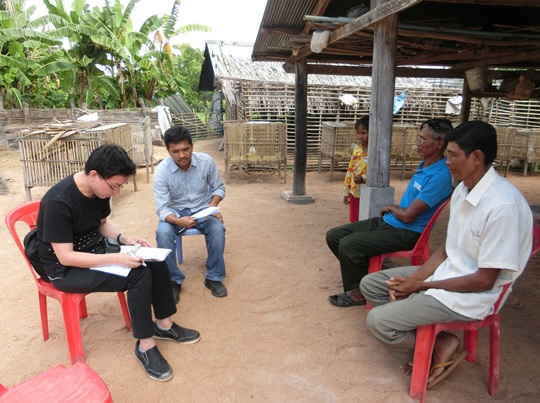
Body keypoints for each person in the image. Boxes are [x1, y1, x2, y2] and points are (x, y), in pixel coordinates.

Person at [360, 120, 533, 386]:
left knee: (378, 321)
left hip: (473, 295)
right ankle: (441, 340)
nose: (447, 161)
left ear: (477, 157)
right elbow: (448, 247)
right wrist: (415, 279)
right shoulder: (463, 188)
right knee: (372, 284)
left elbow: (484, 280)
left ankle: (427, 353)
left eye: (452, 155)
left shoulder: (503, 206)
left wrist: (421, 285)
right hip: (448, 274)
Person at [34, 144, 200, 382]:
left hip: (94, 252)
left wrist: (124, 238)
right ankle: (145, 345)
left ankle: (164, 325)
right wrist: (117, 258)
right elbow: (66, 257)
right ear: (94, 175)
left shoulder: (97, 191)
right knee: (137, 274)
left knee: (152, 259)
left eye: (120, 186)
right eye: (115, 186)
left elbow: (100, 224)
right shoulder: (58, 202)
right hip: (66, 270)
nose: (117, 192)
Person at [326, 118, 454, 307]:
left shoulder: (440, 176)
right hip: (393, 221)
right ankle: (367, 275)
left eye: (422, 139)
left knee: (349, 245)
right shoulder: (425, 166)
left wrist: (392, 207)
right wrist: (394, 210)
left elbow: (409, 216)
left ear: (439, 144)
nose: (417, 143)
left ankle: (359, 292)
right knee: (335, 236)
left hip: (408, 232)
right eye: (418, 137)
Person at [154, 125, 227, 303]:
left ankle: (214, 277)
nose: (182, 155)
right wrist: (178, 221)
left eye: (186, 149)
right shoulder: (162, 171)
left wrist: (212, 207)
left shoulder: (206, 162)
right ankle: (173, 281)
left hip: (203, 209)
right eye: (176, 151)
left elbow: (218, 188)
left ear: (192, 146)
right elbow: (162, 208)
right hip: (175, 213)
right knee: (162, 233)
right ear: (168, 151)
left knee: (217, 228)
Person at [343, 116, 369, 222]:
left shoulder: (376, 153)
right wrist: (346, 191)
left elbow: (379, 174)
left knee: (365, 220)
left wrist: (363, 178)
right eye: (358, 133)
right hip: (354, 192)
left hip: (367, 193)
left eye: (363, 133)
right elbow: (350, 171)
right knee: (354, 220)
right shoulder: (356, 150)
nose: (359, 136)